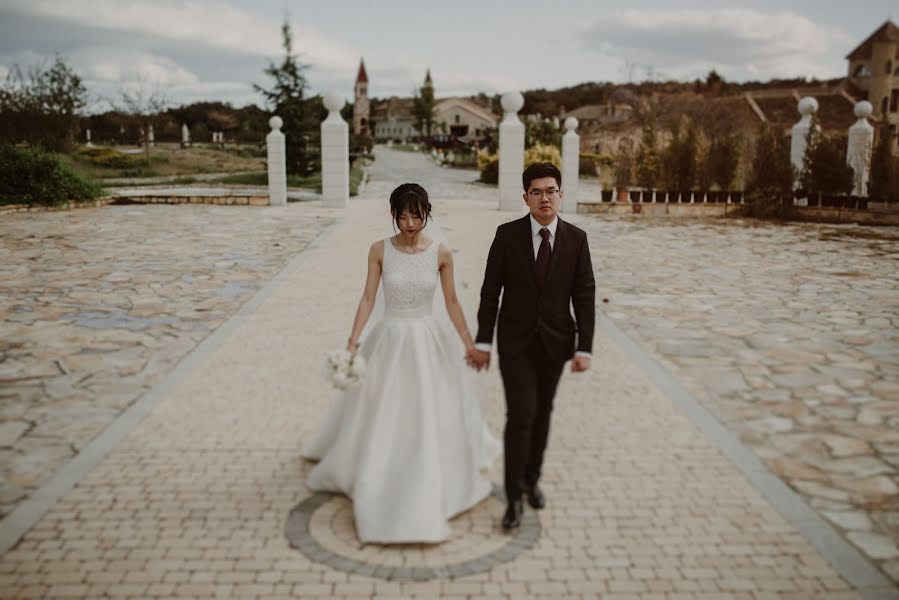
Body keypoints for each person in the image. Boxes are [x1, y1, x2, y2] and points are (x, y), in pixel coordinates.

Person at [303, 183, 499, 544]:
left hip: (427, 340)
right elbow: (367, 298)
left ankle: (430, 474)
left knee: (428, 408)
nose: (409, 223)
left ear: (427, 212)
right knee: (381, 408)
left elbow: (453, 302)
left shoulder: (441, 253)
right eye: (402, 215)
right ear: (393, 215)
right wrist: (352, 342)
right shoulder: (379, 250)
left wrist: (468, 343)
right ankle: (375, 470)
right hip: (389, 338)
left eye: (416, 215)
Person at [467, 162, 596, 530]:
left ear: (561, 194)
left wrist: (584, 347)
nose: (544, 198)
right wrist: (483, 340)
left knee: (542, 414)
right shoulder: (507, 235)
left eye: (550, 190)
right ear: (525, 197)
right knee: (521, 415)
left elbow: (585, 295)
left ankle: (531, 480)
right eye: (536, 192)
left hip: (556, 343)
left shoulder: (576, 239)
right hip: (516, 343)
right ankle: (512, 499)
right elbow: (491, 292)